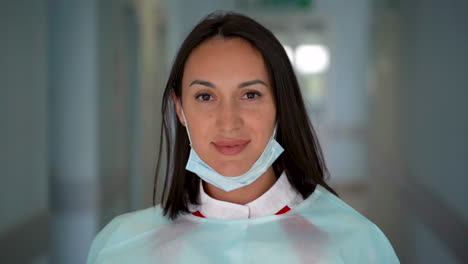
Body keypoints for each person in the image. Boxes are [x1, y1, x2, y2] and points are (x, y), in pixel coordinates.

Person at [87, 12, 399, 263]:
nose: (228, 122)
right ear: (179, 109)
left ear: (281, 103)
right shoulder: (122, 246)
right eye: (205, 96)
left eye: (250, 94)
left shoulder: (354, 244)